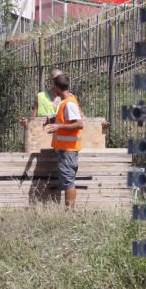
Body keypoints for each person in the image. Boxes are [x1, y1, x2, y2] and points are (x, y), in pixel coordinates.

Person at [45, 74, 84, 208]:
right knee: (67, 180)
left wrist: (59, 126)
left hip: (68, 150)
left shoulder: (69, 103)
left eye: (52, 86)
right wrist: (52, 120)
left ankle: (70, 213)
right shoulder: (66, 101)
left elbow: (79, 124)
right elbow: (65, 119)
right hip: (65, 149)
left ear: (56, 87)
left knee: (68, 181)